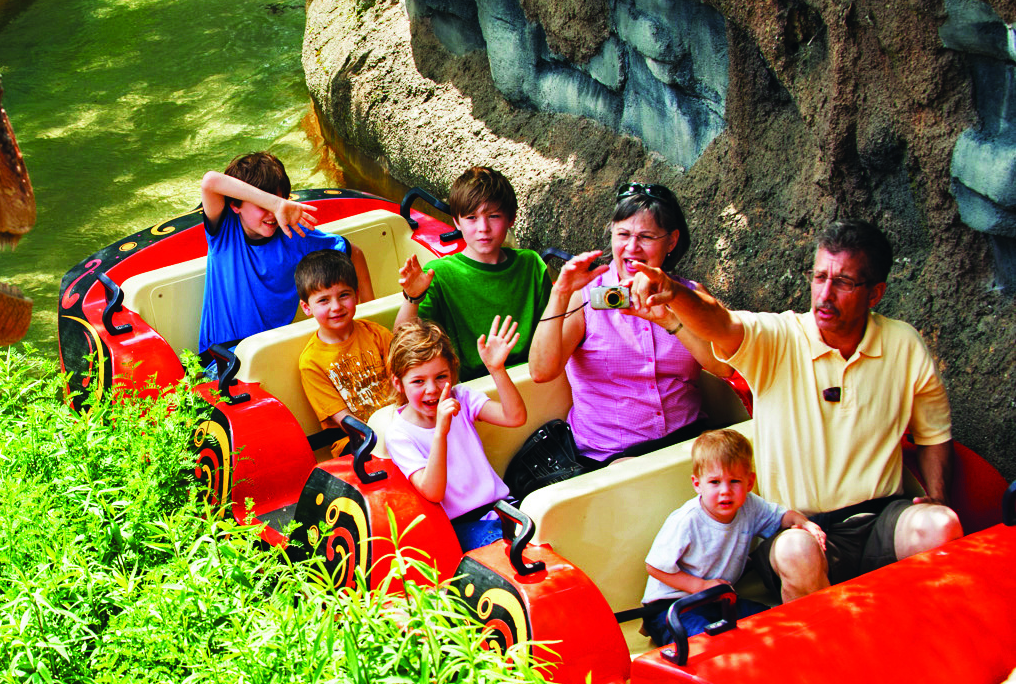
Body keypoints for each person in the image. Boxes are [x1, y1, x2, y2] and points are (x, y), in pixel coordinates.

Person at [630, 219, 960, 601]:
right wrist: (673, 293)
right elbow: (722, 324)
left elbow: (934, 434)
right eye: (819, 277)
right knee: (796, 551)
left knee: (941, 525)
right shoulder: (781, 338)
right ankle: (827, 656)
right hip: (797, 528)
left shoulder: (904, 343)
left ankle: (921, 645)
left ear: (875, 293)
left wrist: (937, 497)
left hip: (880, 517)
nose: (825, 294)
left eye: (844, 282)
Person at [528, 181, 732, 468]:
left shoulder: (689, 294)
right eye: (623, 234)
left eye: (646, 237)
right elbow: (540, 371)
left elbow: (724, 366)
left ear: (671, 242)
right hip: (611, 456)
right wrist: (560, 293)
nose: (632, 247)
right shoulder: (585, 294)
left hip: (688, 448)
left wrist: (671, 319)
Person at [642, 429, 826, 644]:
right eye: (715, 482)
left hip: (718, 601)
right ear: (697, 484)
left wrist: (802, 523)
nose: (725, 491)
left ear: (749, 483)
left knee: (770, 621)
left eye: (735, 481)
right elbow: (654, 567)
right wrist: (700, 586)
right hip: (672, 606)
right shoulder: (687, 520)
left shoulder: (750, 505)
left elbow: (782, 516)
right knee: (703, 643)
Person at [198, 152, 372, 354]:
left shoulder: (294, 234)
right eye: (264, 205)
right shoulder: (225, 230)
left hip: (269, 351)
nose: (273, 214)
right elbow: (210, 181)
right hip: (218, 355)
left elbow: (354, 254)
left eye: (280, 201)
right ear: (236, 205)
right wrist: (276, 204)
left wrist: (368, 317)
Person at [384, 318, 527, 550]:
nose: (432, 389)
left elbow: (515, 417)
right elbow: (433, 492)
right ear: (399, 383)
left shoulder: (462, 398)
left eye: (441, 377)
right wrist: (441, 431)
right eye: (418, 381)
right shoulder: (400, 433)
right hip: (459, 526)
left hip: (501, 510)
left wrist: (497, 369)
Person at [396, 166, 550, 376]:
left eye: (494, 216)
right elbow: (404, 343)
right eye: (471, 218)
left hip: (532, 377)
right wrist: (412, 298)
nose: (483, 228)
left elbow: (553, 331)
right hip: (472, 393)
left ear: (511, 218)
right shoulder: (439, 274)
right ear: (456, 221)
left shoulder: (531, 265)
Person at [295, 250, 392, 455]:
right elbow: (345, 420)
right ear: (307, 307)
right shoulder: (311, 362)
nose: (336, 307)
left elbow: (404, 384)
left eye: (343, 295)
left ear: (356, 295)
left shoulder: (377, 334)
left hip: (397, 422)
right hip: (355, 439)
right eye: (323, 300)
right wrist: (383, 436)